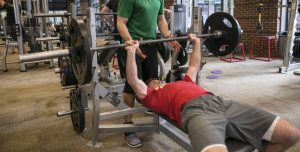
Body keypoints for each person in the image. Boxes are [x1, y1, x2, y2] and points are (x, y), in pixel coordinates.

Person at [124, 34, 300, 152]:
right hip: (195, 112)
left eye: (158, 79)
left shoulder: (183, 82)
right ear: (150, 88)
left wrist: (197, 43)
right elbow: (133, 80)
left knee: (290, 135)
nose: (158, 81)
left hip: (222, 103)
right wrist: (131, 52)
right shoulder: (151, 97)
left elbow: (194, 65)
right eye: (153, 82)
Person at [117, 0, 181, 147]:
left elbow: (161, 19)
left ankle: (151, 107)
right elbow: (120, 22)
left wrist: (168, 36)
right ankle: (127, 127)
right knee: (131, 87)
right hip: (133, 45)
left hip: (151, 44)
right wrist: (130, 41)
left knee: (153, 80)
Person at [101, 0, 128, 78]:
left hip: (118, 29)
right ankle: (132, 74)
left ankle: (124, 74)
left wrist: (112, 23)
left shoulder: (114, 0)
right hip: (130, 30)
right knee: (131, 50)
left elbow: (103, 12)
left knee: (120, 52)